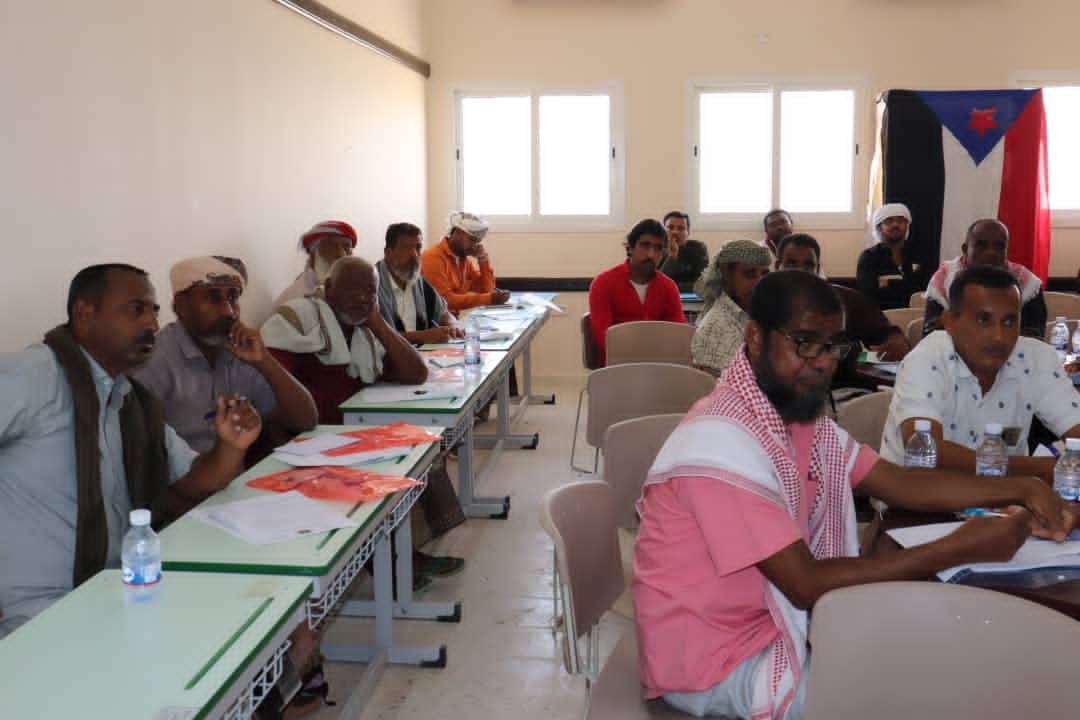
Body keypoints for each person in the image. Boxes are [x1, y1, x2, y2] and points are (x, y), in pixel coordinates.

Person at [632, 269, 1077, 720]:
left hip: (773, 627)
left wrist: (1024, 488)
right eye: (805, 343)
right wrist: (959, 547)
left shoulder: (793, 417)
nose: (823, 362)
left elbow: (897, 482)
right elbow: (805, 585)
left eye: (832, 346)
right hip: (715, 663)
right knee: (938, 688)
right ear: (755, 337)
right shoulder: (721, 440)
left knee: (956, 650)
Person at [0, 264, 262, 638]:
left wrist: (230, 446)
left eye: (154, 311)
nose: (152, 324)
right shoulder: (34, 376)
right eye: (136, 309)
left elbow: (192, 481)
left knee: (244, 618)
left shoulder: (130, 401)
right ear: (85, 314)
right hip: (36, 612)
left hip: (115, 588)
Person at [261, 257, 464, 589]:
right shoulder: (297, 321)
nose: (361, 298)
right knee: (377, 476)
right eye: (352, 289)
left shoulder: (362, 329)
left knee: (421, 446)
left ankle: (410, 551)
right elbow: (272, 393)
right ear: (328, 288)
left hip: (350, 431)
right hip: (302, 438)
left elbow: (415, 373)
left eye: (369, 291)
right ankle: (397, 566)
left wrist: (378, 323)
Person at [880, 265, 1080, 481]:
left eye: (1009, 321)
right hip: (917, 497)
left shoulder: (1037, 358)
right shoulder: (926, 359)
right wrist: (1039, 468)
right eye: (983, 320)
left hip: (1007, 497)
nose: (998, 336)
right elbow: (927, 452)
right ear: (949, 322)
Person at [134, 256, 318, 455]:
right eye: (213, 297)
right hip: (185, 474)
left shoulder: (240, 351)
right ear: (180, 306)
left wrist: (265, 361)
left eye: (233, 297)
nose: (228, 311)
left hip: (236, 472)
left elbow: (306, 420)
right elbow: (140, 453)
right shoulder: (152, 361)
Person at [776, 234, 910, 382]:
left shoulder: (845, 299)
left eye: (808, 265)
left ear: (818, 268)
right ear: (777, 267)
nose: (800, 271)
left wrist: (896, 340)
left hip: (843, 387)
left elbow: (883, 333)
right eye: (792, 264)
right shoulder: (765, 304)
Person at [922, 219, 1047, 338]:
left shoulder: (1027, 284)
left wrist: (960, 326)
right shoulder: (944, 279)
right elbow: (931, 335)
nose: (991, 253)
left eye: (999, 247)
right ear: (965, 250)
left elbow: (1034, 336)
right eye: (981, 246)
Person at [588, 218, 687, 366]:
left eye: (658, 248)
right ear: (630, 248)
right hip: (616, 368)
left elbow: (679, 333)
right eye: (645, 245)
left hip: (658, 367)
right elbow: (603, 336)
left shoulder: (668, 287)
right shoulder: (603, 283)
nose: (651, 254)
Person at [690, 240, 772, 376]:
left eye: (764, 274)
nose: (759, 282)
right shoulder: (714, 330)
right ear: (726, 275)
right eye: (750, 274)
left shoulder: (756, 313)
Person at [376, 222, 464, 345]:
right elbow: (377, 337)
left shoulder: (416, 279)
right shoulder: (371, 284)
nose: (414, 255)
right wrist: (422, 336)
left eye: (418, 247)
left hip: (424, 353)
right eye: (406, 248)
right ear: (388, 253)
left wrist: (453, 325)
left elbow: (442, 312)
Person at [420, 212, 510, 315]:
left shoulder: (464, 261)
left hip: (451, 320)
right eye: (472, 239)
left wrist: (483, 259)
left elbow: (487, 290)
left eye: (478, 241)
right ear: (457, 232)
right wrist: (489, 299)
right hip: (434, 322)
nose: (475, 246)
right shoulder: (432, 257)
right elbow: (444, 300)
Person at [855, 203, 929, 311]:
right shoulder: (868, 257)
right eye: (889, 221)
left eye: (900, 220)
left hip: (915, 314)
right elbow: (868, 294)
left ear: (907, 225)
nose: (895, 225)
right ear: (879, 227)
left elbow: (926, 289)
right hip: (881, 315)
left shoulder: (920, 254)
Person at [273, 220, 357, 308]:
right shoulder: (294, 299)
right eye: (332, 246)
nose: (341, 254)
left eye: (347, 246)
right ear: (313, 253)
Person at [658, 211, 709, 292]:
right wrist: (672, 256)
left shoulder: (698, 249)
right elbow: (658, 284)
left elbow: (703, 284)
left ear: (688, 232)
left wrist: (670, 286)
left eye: (681, 228)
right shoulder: (656, 250)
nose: (675, 232)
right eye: (670, 227)